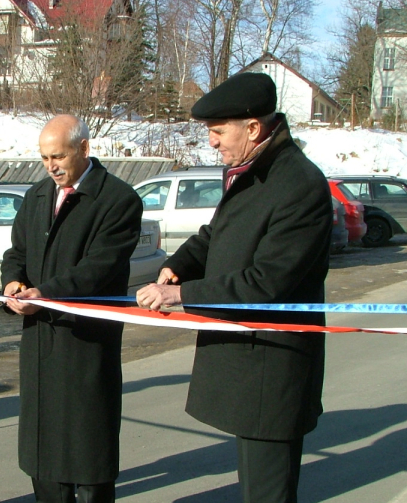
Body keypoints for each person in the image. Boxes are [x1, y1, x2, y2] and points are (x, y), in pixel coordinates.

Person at [136, 72, 332, 503]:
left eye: (218, 132)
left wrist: (182, 295)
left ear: (254, 128)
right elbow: (216, 234)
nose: (212, 142)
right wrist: (178, 266)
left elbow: (269, 282)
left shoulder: (299, 184)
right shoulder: (250, 171)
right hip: (246, 362)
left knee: (267, 492)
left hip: (271, 366)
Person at [0, 114, 143, 503]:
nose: (51, 166)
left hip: (85, 342)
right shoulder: (36, 196)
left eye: (58, 156)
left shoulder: (118, 199)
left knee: (88, 451)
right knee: (43, 451)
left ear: (84, 148)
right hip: (40, 344)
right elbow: (17, 253)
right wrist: (13, 282)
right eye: (45, 158)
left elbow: (98, 269)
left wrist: (43, 293)